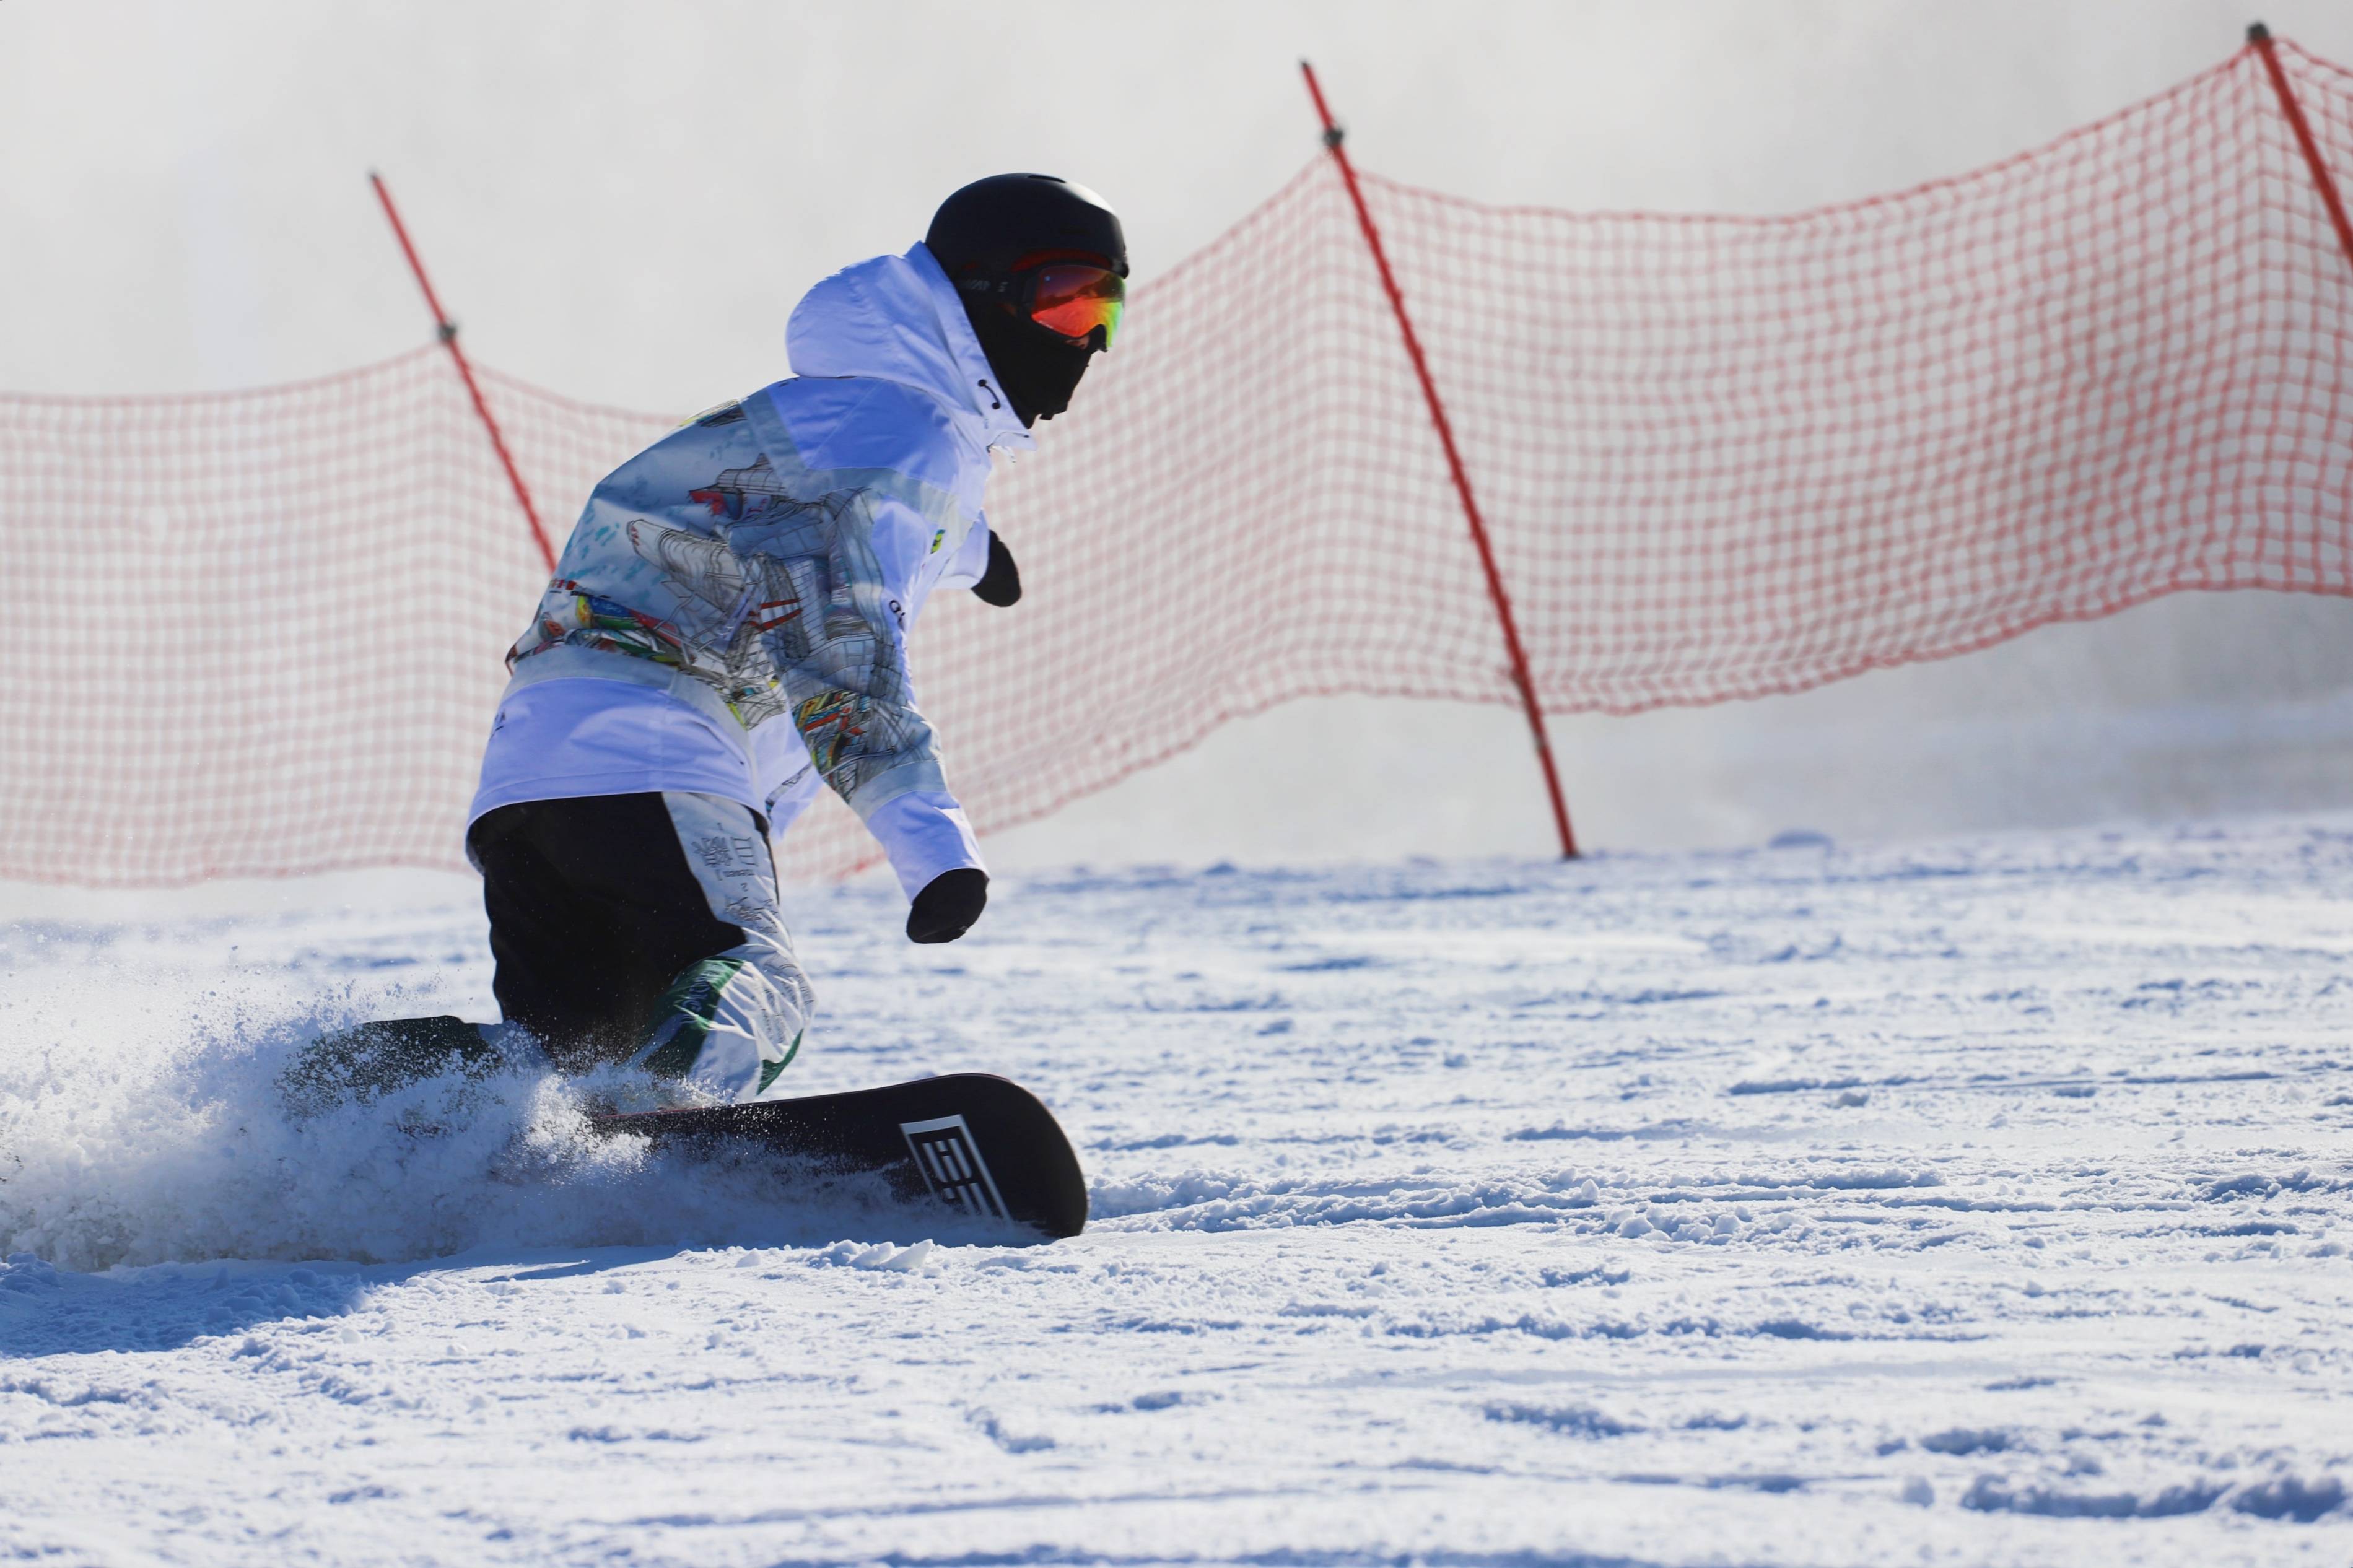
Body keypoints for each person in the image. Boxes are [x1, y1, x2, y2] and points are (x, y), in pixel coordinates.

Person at [313, 175, 1127, 1110]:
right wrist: (934, 847)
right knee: (755, 986)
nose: (1089, 339)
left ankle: (319, 1107)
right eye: (1063, 300)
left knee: (560, 1063)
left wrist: (971, 552)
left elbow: (774, 518)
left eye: (1107, 308)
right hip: (658, 748)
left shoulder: (844, 421)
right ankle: (649, 1127)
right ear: (981, 296)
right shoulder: (906, 436)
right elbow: (841, 656)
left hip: (531, 769)